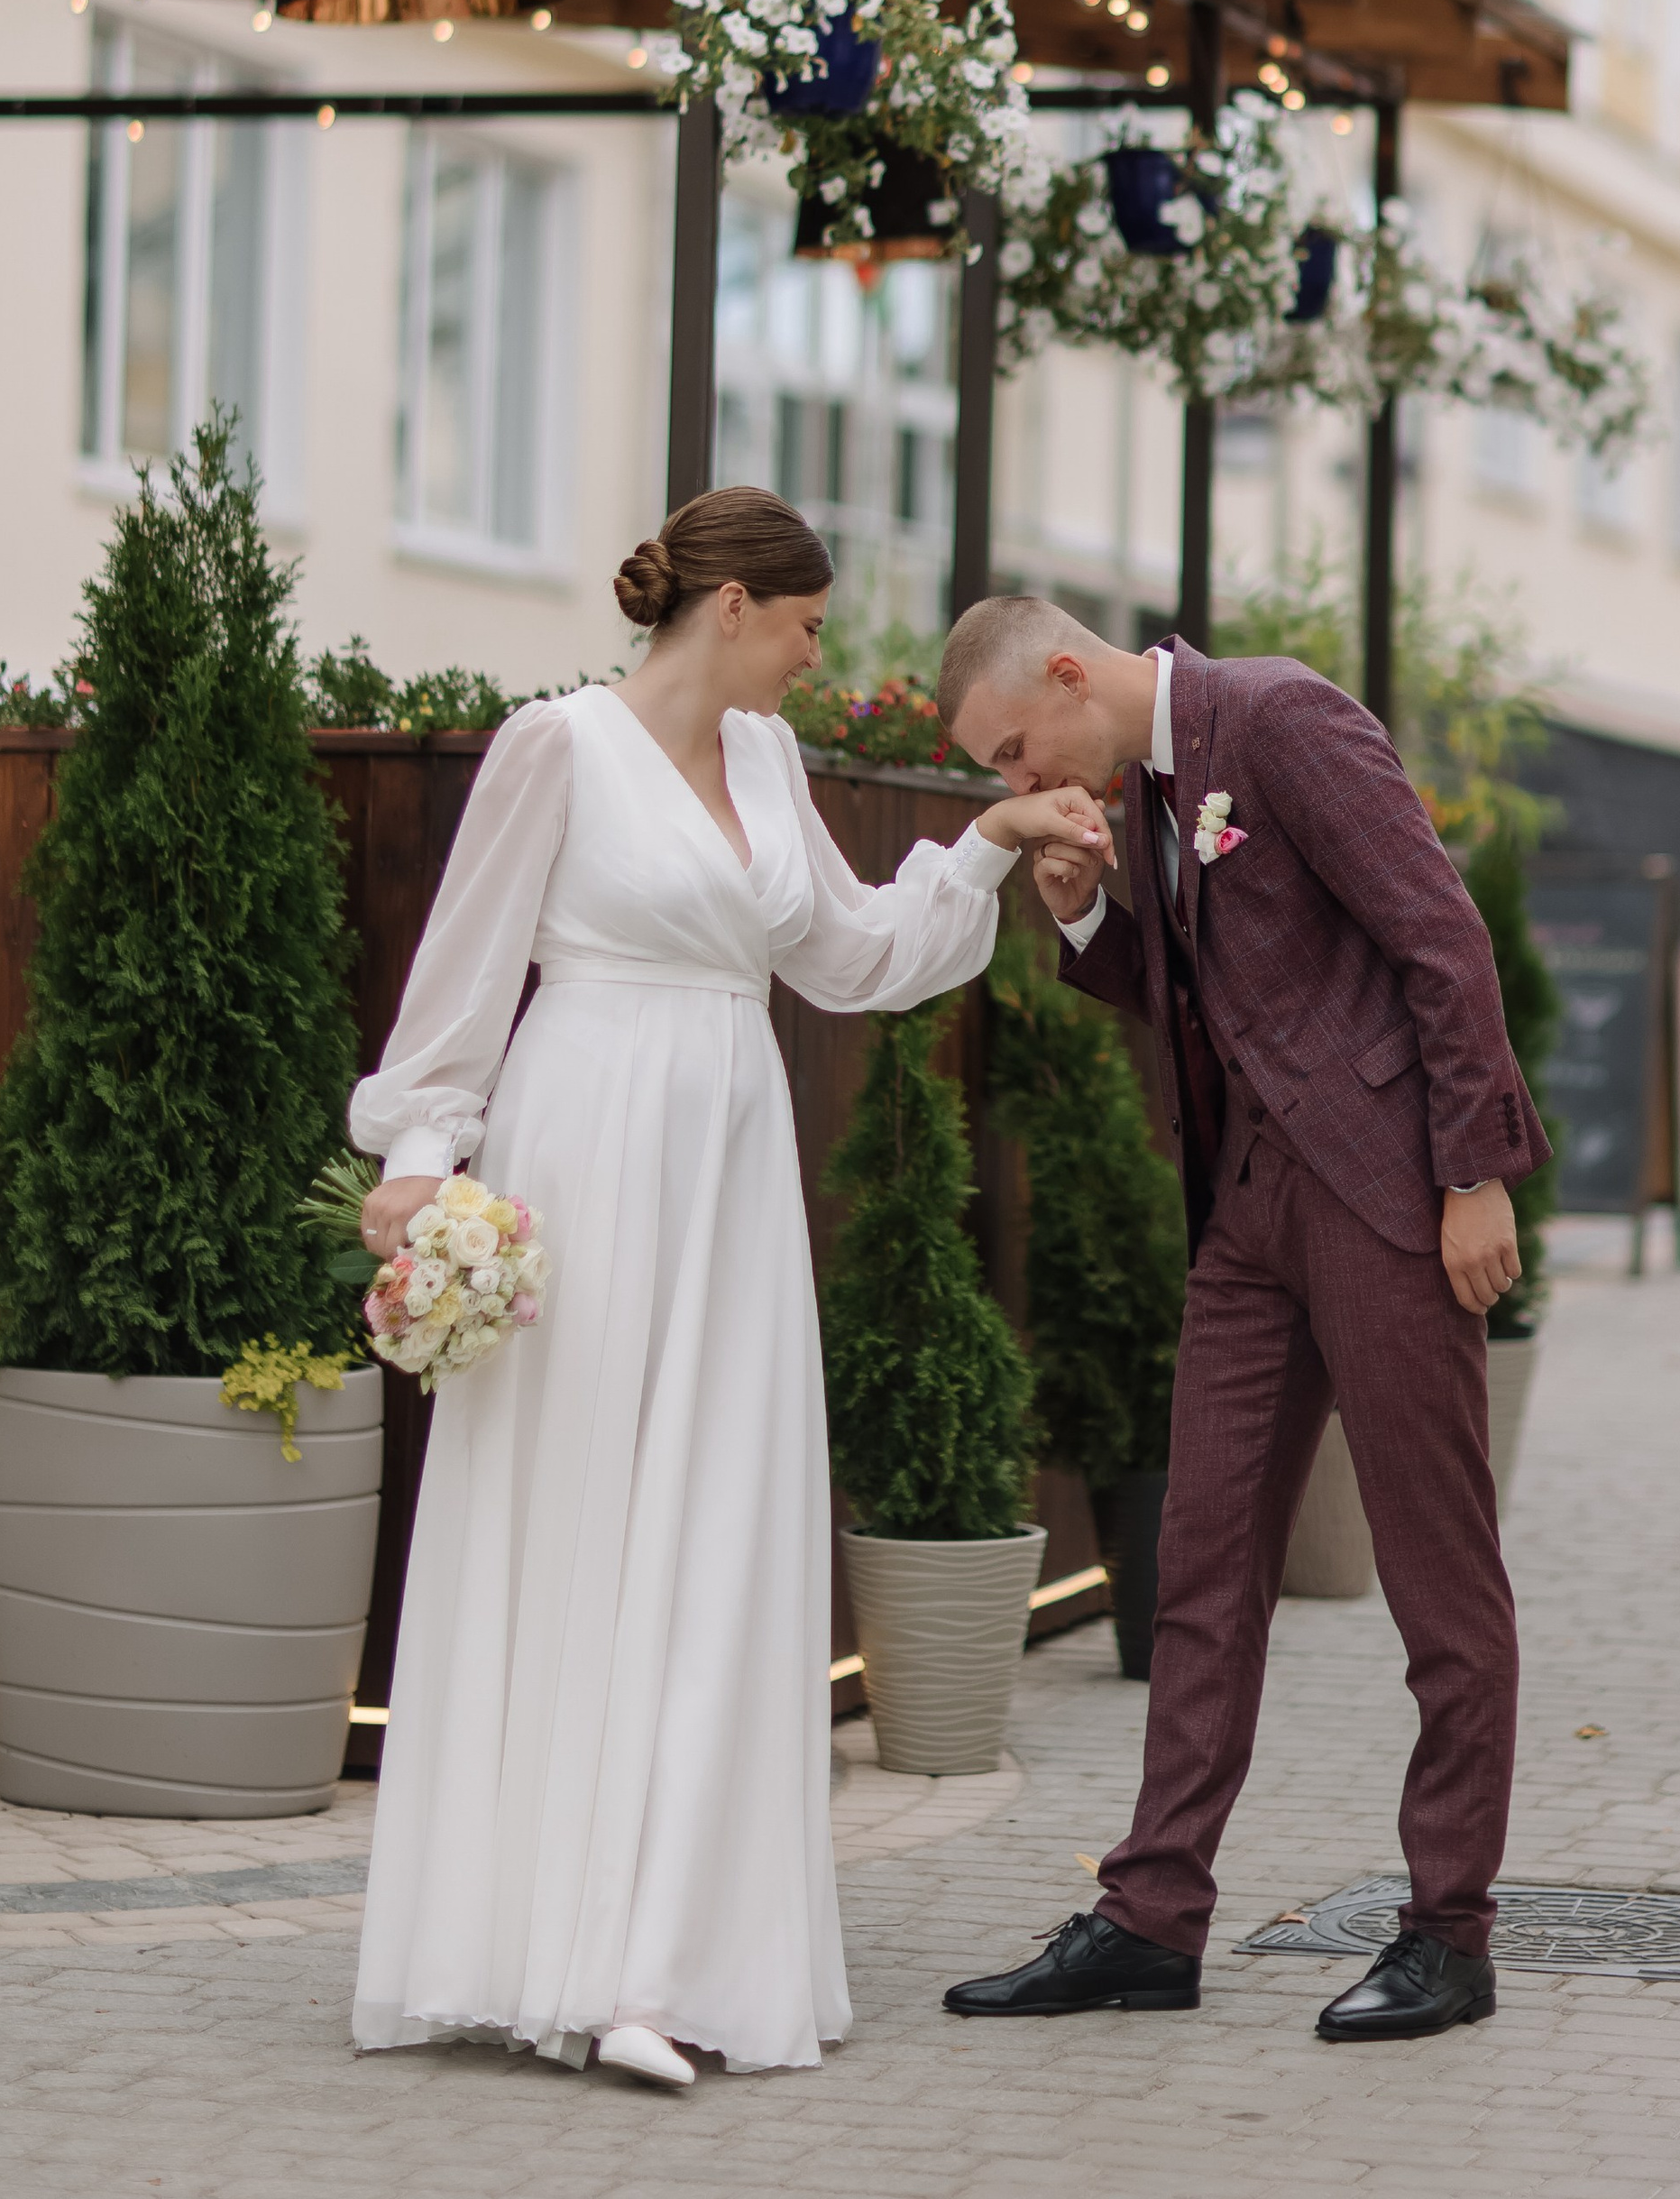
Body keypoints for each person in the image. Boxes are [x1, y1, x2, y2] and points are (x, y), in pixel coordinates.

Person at [346, 492, 1106, 2089]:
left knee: (716, 1538)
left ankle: (674, 1958)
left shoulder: (766, 764)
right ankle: (556, 1947)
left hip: (731, 1168)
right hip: (589, 1150)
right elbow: (459, 994)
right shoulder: (556, 749)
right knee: (585, 1531)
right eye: (813, 628)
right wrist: (421, 1167)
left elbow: (851, 957)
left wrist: (987, 844)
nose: (820, 662)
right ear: (740, 607)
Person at [934, 602, 1548, 2044]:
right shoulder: (1139, 788)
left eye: (1018, 752)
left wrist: (1474, 1176)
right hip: (1248, 1220)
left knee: (1438, 1578)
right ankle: (1152, 1916)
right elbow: (1195, 995)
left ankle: (1449, 1933)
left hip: (1389, 1202)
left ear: (1071, 674)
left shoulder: (1278, 721)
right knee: (1200, 1568)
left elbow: (1443, 943)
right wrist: (1081, 907)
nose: (1023, 787)